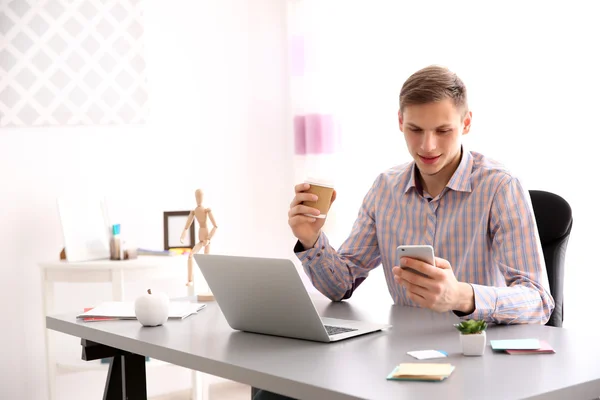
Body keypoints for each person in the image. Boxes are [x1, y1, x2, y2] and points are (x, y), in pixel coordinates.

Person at [254, 65, 554, 400]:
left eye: (443, 130)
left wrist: (461, 296)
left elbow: (539, 302)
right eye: (415, 129)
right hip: (405, 356)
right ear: (400, 122)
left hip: (478, 358)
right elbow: (340, 284)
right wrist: (311, 239)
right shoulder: (386, 188)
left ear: (466, 123)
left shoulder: (500, 187)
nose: (428, 145)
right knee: (274, 392)